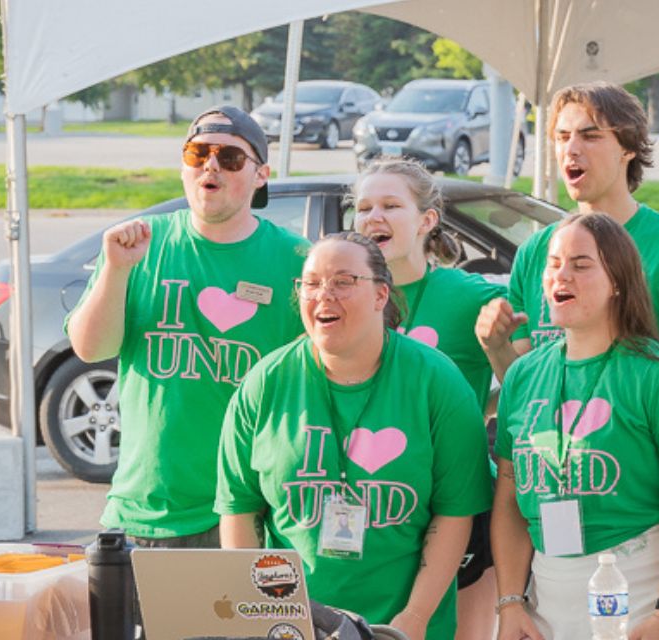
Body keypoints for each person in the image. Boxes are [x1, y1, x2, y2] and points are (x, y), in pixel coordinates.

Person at [217, 233, 491, 640]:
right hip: (294, 627)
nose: (324, 295)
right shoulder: (266, 382)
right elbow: (239, 509)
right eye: (311, 283)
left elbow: (454, 513)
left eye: (343, 281)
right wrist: (266, 614)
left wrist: (414, 619)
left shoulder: (437, 380)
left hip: (401, 629)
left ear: (381, 295)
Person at [66, 106, 309, 548]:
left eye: (230, 158)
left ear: (261, 175)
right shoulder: (139, 244)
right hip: (146, 512)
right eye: (198, 154)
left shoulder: (296, 260)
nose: (210, 166)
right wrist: (116, 271)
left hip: (250, 514)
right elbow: (90, 348)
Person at [489, 214, 659, 640]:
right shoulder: (524, 376)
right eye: (554, 263)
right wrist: (509, 602)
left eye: (581, 265)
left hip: (646, 597)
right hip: (547, 603)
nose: (561, 275)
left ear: (618, 281)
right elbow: (509, 502)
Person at [348, 159, 507, 639]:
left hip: (461, 506)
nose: (374, 216)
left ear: (427, 220)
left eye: (391, 205)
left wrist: (496, 353)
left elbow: (524, 383)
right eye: (363, 207)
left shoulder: (468, 296)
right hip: (371, 505)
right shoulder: (339, 296)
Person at [478, 82, 659, 388]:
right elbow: (526, 388)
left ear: (628, 148)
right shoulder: (534, 253)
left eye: (590, 135)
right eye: (562, 137)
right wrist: (496, 347)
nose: (571, 149)